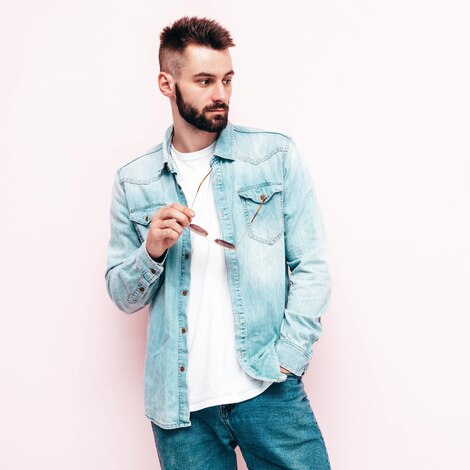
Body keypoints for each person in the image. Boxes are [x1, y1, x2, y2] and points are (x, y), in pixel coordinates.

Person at [104, 16, 332, 469]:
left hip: (267, 388)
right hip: (181, 408)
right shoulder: (134, 182)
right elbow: (121, 294)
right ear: (167, 84)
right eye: (205, 81)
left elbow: (312, 266)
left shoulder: (273, 155)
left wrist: (287, 360)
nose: (221, 94)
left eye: (227, 79)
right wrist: (150, 251)